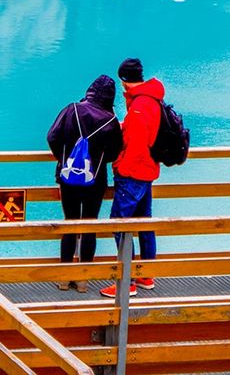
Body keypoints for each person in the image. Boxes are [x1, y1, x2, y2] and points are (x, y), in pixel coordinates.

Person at [47, 75, 122, 292]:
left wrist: (64, 159)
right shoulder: (110, 121)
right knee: (90, 225)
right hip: (95, 180)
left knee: (69, 222)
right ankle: (83, 279)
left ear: (90, 91)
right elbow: (115, 151)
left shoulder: (71, 109)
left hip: (68, 177)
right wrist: (96, 160)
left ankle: (64, 277)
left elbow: (52, 137)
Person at [100, 57, 164, 298]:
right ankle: (146, 274)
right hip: (147, 171)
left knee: (119, 224)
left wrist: (119, 167)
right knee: (144, 222)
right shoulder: (152, 99)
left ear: (123, 80)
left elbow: (136, 146)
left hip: (133, 174)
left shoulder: (139, 107)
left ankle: (126, 283)